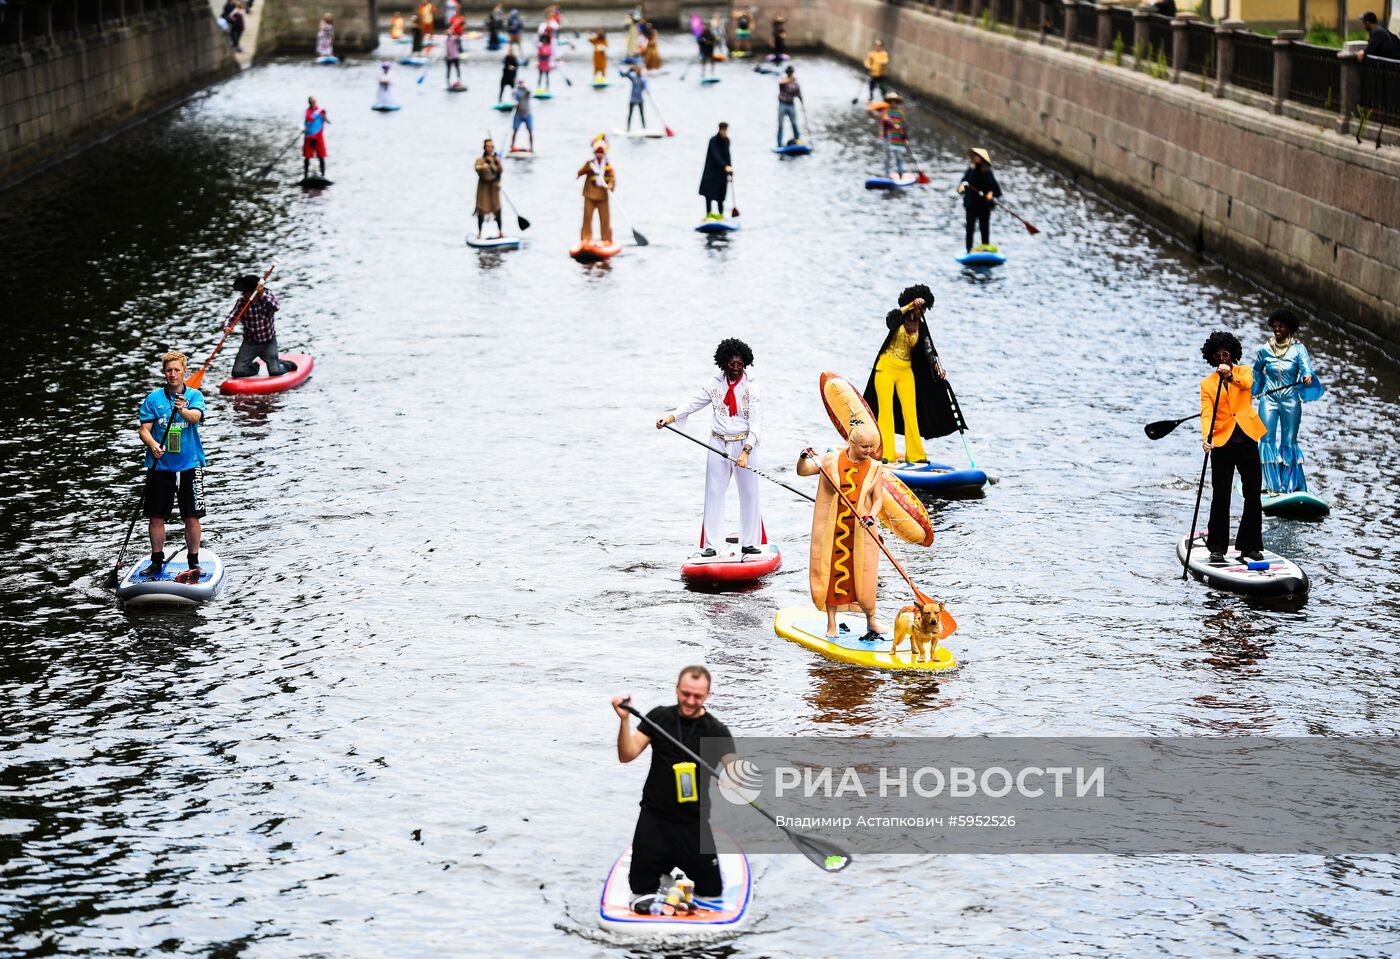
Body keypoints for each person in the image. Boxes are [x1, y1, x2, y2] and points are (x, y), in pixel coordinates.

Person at [609, 666, 736, 904]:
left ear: (708, 695)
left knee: (712, 892)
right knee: (639, 888)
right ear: (677, 690)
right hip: (653, 821)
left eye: (697, 696)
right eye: (685, 694)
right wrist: (624, 721)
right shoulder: (658, 718)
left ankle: (675, 879)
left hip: (693, 824)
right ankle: (665, 875)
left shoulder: (716, 731)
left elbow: (736, 770)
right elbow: (627, 755)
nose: (690, 701)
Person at [655, 339, 762, 556]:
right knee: (713, 494)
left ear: (745, 364)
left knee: (749, 494)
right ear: (724, 363)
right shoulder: (714, 385)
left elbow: (757, 425)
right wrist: (670, 417)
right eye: (731, 365)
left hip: (743, 444)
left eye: (739, 365)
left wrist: (745, 452)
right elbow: (693, 402)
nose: (734, 369)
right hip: (717, 444)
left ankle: (749, 542)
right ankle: (712, 546)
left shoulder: (752, 389)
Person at [796, 422, 886, 640]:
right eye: (864, 446)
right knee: (833, 572)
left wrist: (871, 517)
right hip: (834, 529)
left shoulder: (875, 467)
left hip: (862, 530)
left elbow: (878, 498)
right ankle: (831, 624)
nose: (869, 451)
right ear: (851, 442)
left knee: (865, 576)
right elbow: (803, 471)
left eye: (871, 447)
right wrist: (802, 457)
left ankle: (871, 620)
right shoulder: (830, 460)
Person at [863, 286, 965, 466]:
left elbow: (928, 349)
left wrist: (937, 366)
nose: (923, 311)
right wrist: (909, 306)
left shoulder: (921, 327)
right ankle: (886, 454)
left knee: (911, 412)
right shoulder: (899, 318)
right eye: (921, 308)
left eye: (925, 309)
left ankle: (916, 455)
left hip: (905, 371)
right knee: (885, 412)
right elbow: (889, 320)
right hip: (885, 368)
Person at [138, 351, 208, 583]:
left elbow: (195, 417)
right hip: (161, 466)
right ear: (164, 372)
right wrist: (153, 444)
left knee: (191, 516)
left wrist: (181, 410)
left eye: (177, 370)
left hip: (189, 465)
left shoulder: (195, 395)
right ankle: (156, 560)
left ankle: (194, 561)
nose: (173, 374)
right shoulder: (153, 399)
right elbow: (144, 430)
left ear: (184, 371)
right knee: (157, 517)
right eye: (169, 370)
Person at [1200, 331, 1268, 563]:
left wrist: (1229, 377)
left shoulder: (1244, 372)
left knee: (1253, 494)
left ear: (1232, 355)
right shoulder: (1207, 385)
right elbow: (1207, 413)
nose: (1222, 359)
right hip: (1222, 442)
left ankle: (1249, 546)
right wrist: (1206, 437)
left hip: (1247, 439)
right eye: (1217, 356)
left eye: (1225, 354)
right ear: (1212, 358)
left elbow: (1248, 384)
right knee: (1221, 495)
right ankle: (1217, 546)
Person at [1252, 309, 1323, 496]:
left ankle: (1288, 485)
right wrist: (1254, 391)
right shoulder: (1264, 350)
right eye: (1274, 326)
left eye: (1280, 326)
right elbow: (1256, 371)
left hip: (1291, 400)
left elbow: (1306, 368)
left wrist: (1307, 376)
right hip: (1269, 398)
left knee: (1289, 442)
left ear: (1289, 328)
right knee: (1266, 440)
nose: (1276, 329)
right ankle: (1271, 485)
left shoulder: (1299, 349)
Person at [227, 273, 295, 378]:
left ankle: (285, 365)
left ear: (254, 292)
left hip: (268, 342)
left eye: (247, 292)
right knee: (237, 372)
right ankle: (255, 367)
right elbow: (232, 316)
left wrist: (262, 294)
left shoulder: (267, 297)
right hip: (250, 343)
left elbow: (276, 307)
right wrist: (227, 326)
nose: (244, 294)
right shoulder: (241, 302)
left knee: (275, 372)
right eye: (244, 292)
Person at [956, 147, 1002, 253]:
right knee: (970, 227)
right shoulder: (970, 171)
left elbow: (995, 188)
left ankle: (985, 247)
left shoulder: (987, 172)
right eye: (975, 156)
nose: (976, 158)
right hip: (971, 204)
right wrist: (962, 187)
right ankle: (969, 248)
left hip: (984, 205)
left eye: (978, 157)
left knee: (984, 227)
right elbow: (962, 184)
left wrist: (990, 193)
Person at [578, 141, 616, 244]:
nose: (599, 154)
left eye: (601, 152)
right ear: (594, 153)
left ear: (604, 153)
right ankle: (586, 238)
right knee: (587, 218)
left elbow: (612, 179)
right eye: (597, 152)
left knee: (605, 219)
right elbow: (580, 172)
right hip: (589, 195)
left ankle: (606, 239)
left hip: (603, 196)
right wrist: (587, 168)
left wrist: (610, 187)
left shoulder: (608, 167)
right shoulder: (590, 164)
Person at [698, 123, 732, 219]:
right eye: (723, 130)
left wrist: (730, 173)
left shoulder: (726, 141)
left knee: (721, 196)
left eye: (725, 130)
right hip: (711, 173)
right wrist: (724, 165)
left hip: (722, 175)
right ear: (719, 129)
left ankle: (721, 215)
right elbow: (715, 155)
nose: (724, 132)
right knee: (709, 194)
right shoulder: (713, 141)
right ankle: (708, 214)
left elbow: (728, 157)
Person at [474, 138, 504, 238]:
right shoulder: (480, 160)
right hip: (484, 188)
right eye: (488, 146)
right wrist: (484, 167)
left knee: (497, 209)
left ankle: (500, 231)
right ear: (484, 147)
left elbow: (500, 171)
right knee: (481, 210)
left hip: (494, 187)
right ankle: (479, 233)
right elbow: (477, 168)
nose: (490, 148)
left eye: (491, 146)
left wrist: (498, 163)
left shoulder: (496, 160)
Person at [879, 90, 908, 178]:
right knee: (887, 156)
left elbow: (905, 125)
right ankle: (887, 174)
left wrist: (905, 138)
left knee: (899, 157)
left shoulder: (900, 113)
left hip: (898, 138)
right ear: (889, 102)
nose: (893, 103)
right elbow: (886, 120)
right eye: (891, 101)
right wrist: (893, 125)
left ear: (897, 102)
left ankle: (900, 173)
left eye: (894, 101)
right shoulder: (885, 112)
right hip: (887, 137)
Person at [302, 96, 329, 179]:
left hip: (319, 137)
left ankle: (323, 174)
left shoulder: (320, 111)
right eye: (311, 102)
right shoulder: (306, 112)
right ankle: (305, 175)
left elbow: (327, 121)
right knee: (307, 157)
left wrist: (324, 114)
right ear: (309, 103)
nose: (313, 103)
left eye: (314, 102)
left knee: (321, 156)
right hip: (309, 137)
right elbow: (301, 123)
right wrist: (303, 128)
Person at [777, 65, 803, 147]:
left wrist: (802, 105)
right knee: (780, 125)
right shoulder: (783, 80)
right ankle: (779, 143)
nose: (790, 73)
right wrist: (791, 79)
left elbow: (799, 94)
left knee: (794, 124)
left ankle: (797, 140)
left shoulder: (795, 83)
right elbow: (781, 83)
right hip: (782, 105)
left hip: (791, 105)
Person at [510, 79, 534, 152]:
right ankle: (512, 146)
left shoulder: (526, 90)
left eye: (522, 83)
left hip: (527, 114)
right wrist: (515, 102)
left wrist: (525, 87)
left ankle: (532, 148)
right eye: (520, 83)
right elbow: (514, 96)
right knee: (515, 130)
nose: (521, 84)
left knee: (530, 130)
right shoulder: (515, 91)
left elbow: (530, 92)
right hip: (518, 114)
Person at [622, 64, 647, 130]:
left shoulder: (643, 80)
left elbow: (646, 87)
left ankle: (644, 128)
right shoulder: (633, 78)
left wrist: (647, 91)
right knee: (630, 114)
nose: (638, 72)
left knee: (642, 115)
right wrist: (630, 70)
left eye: (639, 70)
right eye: (636, 70)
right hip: (632, 100)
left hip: (640, 100)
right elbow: (624, 75)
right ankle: (628, 128)